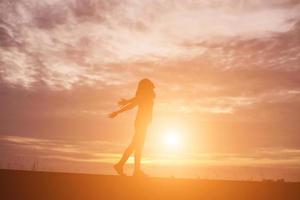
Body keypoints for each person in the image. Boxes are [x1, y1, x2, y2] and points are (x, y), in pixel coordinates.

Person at [108, 78, 155, 177]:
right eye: (149, 86)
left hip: (143, 122)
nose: (152, 88)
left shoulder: (148, 95)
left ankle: (128, 167)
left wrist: (122, 106)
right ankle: (127, 167)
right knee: (137, 145)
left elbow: (135, 101)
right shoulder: (146, 95)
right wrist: (118, 111)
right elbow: (134, 103)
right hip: (141, 122)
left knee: (136, 145)